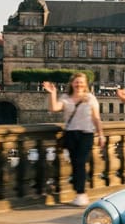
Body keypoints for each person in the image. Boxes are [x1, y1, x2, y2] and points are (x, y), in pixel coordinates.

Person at [43, 73, 104, 206]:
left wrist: (101, 135)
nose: (79, 85)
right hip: (71, 134)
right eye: (76, 82)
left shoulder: (90, 98)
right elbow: (53, 108)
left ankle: (81, 194)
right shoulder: (66, 98)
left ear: (85, 84)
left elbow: (96, 118)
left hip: (86, 134)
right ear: (72, 83)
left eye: (81, 82)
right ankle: (79, 193)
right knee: (76, 164)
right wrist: (52, 93)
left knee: (80, 162)